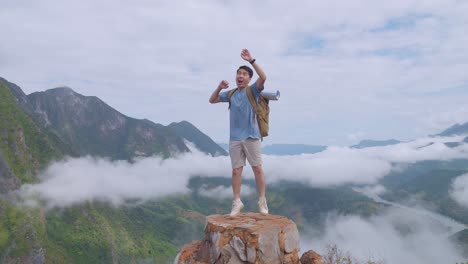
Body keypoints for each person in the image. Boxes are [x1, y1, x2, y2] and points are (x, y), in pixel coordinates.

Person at [209, 48, 268, 216]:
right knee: (236, 170)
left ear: (249, 78)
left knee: (257, 168)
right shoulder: (231, 93)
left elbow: (263, 77)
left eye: (244, 74)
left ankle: (262, 200)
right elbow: (212, 100)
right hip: (235, 138)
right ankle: (236, 202)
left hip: (251, 136)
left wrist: (252, 61)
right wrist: (219, 87)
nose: (240, 76)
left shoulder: (253, 90)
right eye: (238, 74)